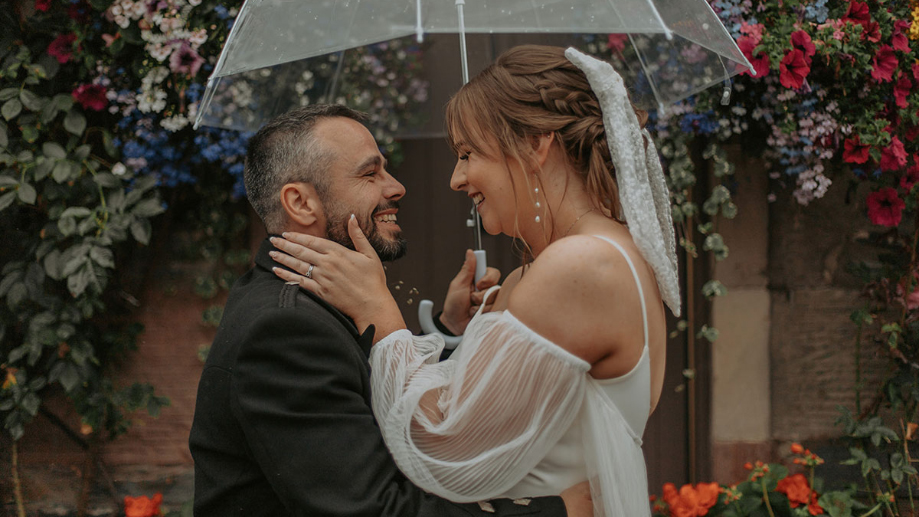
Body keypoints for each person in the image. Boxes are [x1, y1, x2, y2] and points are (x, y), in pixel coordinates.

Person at [270, 46, 682, 517]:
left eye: (468, 154)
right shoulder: (600, 252)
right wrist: (462, 331)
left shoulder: (581, 264)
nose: (456, 178)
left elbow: (446, 446)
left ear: (534, 146)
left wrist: (379, 313)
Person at [188, 103, 591, 517]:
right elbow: (376, 509)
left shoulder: (307, 304)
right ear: (301, 203)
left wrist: (450, 329)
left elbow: (364, 391)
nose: (396, 187)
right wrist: (556, 512)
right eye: (370, 173)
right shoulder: (283, 329)